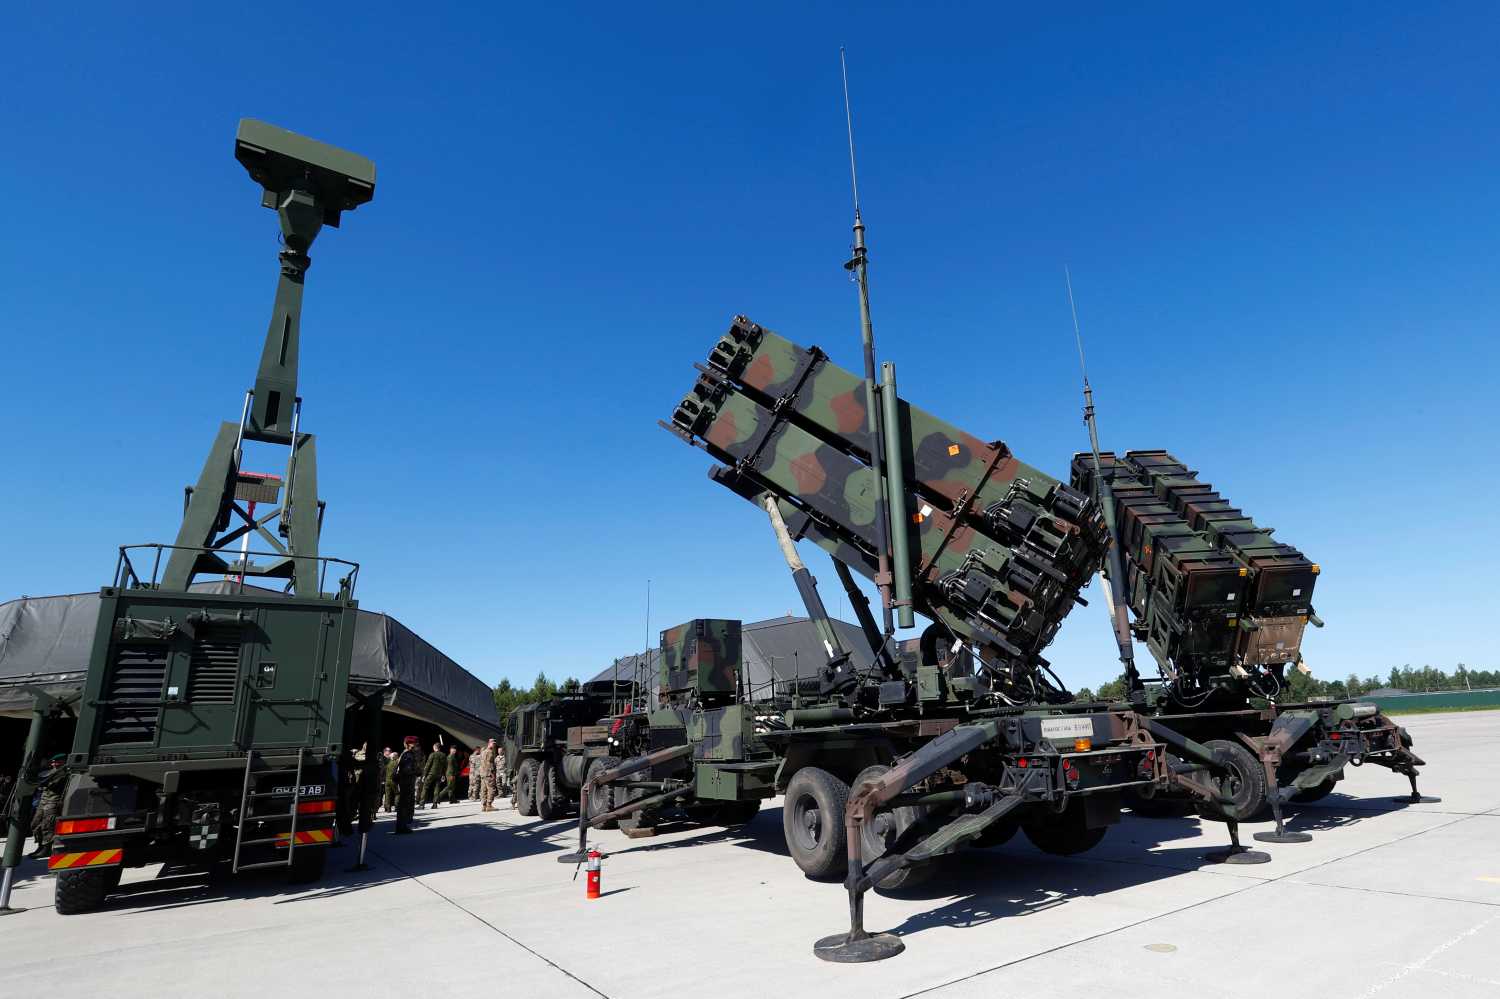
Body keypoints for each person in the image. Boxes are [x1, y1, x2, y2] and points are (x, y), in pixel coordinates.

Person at [28, 755, 66, 858]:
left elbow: (50, 784)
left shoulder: (64, 773)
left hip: (53, 801)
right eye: (53, 762)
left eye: (56, 762)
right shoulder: (51, 771)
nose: (53, 764)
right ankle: (40, 846)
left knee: (47, 825)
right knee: (35, 823)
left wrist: (41, 782)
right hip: (44, 800)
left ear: (62, 761)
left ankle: (46, 849)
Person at [392, 737, 420, 834]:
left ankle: (402, 826)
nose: (416, 745)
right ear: (409, 744)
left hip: (405, 782)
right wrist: (416, 771)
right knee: (404, 805)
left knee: (403, 805)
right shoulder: (408, 754)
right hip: (406, 782)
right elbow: (407, 770)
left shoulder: (406, 753)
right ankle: (401, 827)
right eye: (415, 743)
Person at [421, 742, 446, 809]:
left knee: (425, 787)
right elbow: (444, 766)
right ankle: (435, 804)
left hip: (431, 774)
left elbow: (428, 765)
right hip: (439, 774)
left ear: (435, 748)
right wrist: (443, 775)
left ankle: (422, 804)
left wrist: (424, 775)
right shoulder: (443, 755)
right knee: (437, 788)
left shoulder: (432, 755)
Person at [479, 738, 498, 812]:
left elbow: (482, 763)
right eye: (493, 743)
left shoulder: (483, 752)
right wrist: (492, 773)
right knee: (491, 789)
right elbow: (489, 764)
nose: (494, 745)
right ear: (489, 743)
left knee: (484, 789)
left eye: (494, 744)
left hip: (483, 773)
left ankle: (484, 806)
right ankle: (489, 805)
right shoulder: (490, 752)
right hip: (488, 773)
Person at [382, 748, 398, 813]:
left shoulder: (387, 764)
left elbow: (384, 771)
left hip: (387, 780)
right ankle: (397, 807)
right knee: (397, 793)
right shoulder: (396, 763)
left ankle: (388, 809)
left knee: (387, 794)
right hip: (394, 780)